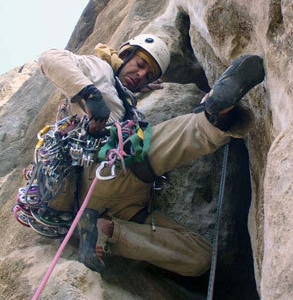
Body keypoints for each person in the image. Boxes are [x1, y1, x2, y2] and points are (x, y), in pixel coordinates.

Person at [38, 33, 264, 276]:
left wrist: (133, 92)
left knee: (199, 256)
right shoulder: (99, 68)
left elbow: (122, 97)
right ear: (125, 56)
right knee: (146, 143)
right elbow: (49, 58)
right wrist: (89, 95)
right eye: (140, 65)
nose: (141, 75)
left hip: (121, 207)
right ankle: (215, 116)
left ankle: (103, 231)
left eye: (149, 75)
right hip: (103, 168)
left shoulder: (125, 98)